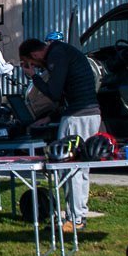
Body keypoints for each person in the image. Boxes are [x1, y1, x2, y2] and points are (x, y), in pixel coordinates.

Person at [19, 35, 102, 230]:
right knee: (79, 168)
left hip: (77, 117)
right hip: (88, 113)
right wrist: (51, 117)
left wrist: (34, 77)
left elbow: (54, 92)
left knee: (69, 168)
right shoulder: (63, 52)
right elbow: (68, 91)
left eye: (31, 63)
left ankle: (75, 219)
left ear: (35, 54)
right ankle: (77, 215)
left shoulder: (56, 55)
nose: (35, 67)